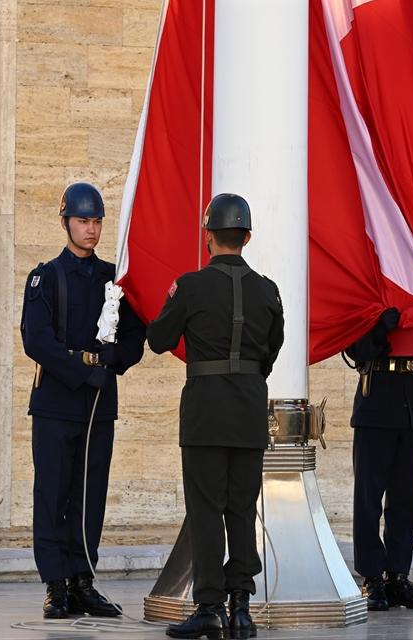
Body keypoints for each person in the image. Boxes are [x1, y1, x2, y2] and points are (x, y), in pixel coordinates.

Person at [146, 193, 284, 640]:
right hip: (248, 411)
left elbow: (159, 339)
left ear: (208, 236)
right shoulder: (268, 290)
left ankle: (209, 607)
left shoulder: (189, 287)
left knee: (206, 510)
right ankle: (241, 607)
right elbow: (271, 351)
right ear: (247, 237)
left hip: (205, 412)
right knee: (241, 509)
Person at [20, 182, 146, 620]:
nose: (91, 229)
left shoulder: (114, 278)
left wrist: (113, 360)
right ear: (65, 222)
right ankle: (56, 584)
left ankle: (83, 579)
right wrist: (83, 372)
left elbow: (135, 336)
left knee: (90, 494)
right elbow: (37, 340)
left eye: (96, 221)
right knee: (53, 493)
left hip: (98, 403)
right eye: (82, 220)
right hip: (57, 400)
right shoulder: (46, 276)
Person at [344, 310, 413, 612]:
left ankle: (398, 576)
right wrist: (379, 329)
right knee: (368, 499)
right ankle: (372, 577)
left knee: (407, 498)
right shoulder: (366, 302)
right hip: (377, 400)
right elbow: (355, 350)